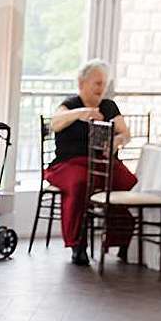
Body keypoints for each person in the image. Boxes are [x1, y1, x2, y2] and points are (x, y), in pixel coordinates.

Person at [43, 60, 136, 266]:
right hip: (69, 164)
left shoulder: (109, 106)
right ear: (81, 83)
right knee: (80, 184)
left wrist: (117, 141)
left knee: (126, 181)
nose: (101, 89)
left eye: (104, 84)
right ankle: (78, 244)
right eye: (97, 83)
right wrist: (81, 114)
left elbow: (125, 133)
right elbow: (55, 123)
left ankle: (120, 238)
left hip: (101, 162)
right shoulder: (70, 104)